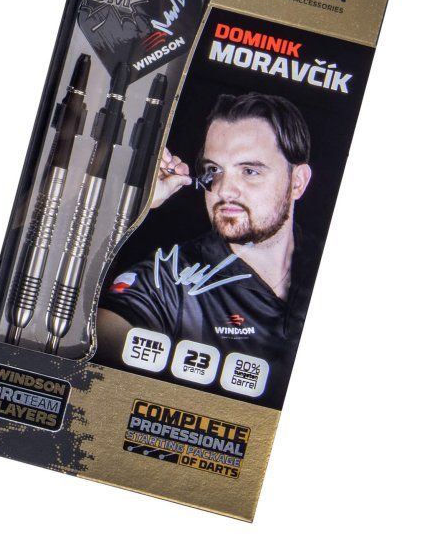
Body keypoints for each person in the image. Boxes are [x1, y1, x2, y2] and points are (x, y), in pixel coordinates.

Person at [96, 92, 317, 407]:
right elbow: (92, 348)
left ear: (297, 182)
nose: (223, 190)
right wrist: (126, 209)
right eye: (214, 170)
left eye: (250, 171)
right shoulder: (169, 277)